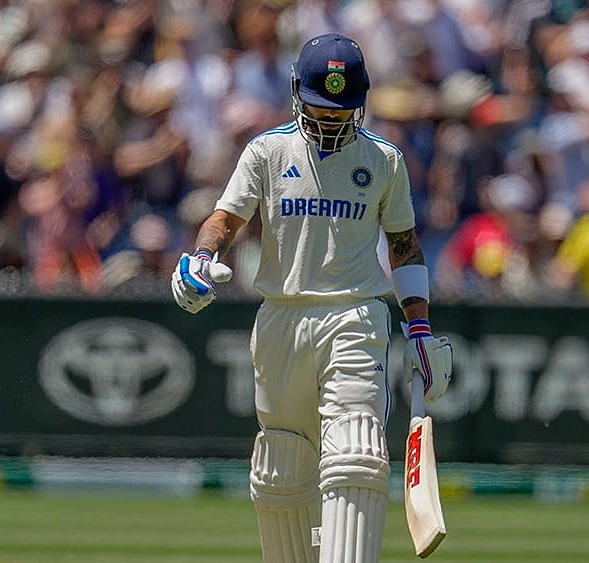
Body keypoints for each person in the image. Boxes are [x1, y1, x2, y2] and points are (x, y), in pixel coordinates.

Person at [170, 33, 453, 563]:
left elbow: (405, 247)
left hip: (355, 315)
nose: (329, 120)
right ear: (297, 93)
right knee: (281, 462)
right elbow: (225, 218)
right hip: (281, 317)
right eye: (320, 108)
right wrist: (200, 258)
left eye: (340, 111)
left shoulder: (384, 159)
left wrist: (419, 328)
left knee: (355, 452)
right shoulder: (268, 151)